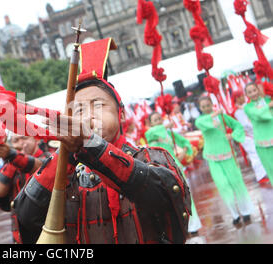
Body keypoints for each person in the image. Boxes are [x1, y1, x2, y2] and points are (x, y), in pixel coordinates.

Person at [12, 38, 191, 244]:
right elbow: (25, 216)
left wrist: (90, 144)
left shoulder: (152, 156)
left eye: (98, 106)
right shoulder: (65, 173)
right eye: (79, 110)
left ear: (121, 114)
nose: (88, 117)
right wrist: (67, 155)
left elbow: (165, 197)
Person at [196, 96, 253, 226]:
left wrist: (232, 135)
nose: (206, 108)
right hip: (212, 157)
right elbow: (202, 123)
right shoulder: (201, 120)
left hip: (227, 153)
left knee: (236, 182)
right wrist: (214, 115)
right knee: (223, 185)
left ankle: (245, 211)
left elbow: (237, 126)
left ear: (212, 104)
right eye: (203, 106)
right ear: (200, 108)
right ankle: (234, 214)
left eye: (207, 105)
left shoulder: (222, 116)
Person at [146, 111, 202, 236]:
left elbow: (185, 142)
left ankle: (193, 226)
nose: (159, 121)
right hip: (160, 169)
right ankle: (177, 229)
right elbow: (151, 132)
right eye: (155, 120)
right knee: (168, 200)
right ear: (150, 123)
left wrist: (185, 153)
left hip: (175, 167)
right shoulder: (151, 134)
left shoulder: (169, 133)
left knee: (185, 195)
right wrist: (166, 126)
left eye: (160, 118)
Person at [0, 134, 51, 243]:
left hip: (45, 230)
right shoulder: (11, 163)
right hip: (20, 236)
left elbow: (39, 166)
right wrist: (13, 159)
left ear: (36, 139)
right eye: (15, 140)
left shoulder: (48, 157)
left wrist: (13, 156)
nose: (19, 143)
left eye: (24, 138)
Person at [232, 90, 268, 183]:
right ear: (236, 99)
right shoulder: (237, 111)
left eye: (243, 95)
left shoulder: (245, 107)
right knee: (255, 156)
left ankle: (264, 173)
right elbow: (246, 124)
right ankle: (261, 177)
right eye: (240, 97)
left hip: (255, 134)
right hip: (247, 137)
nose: (243, 98)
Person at [243, 82, 273, 185]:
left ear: (258, 90)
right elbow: (258, 114)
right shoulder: (247, 108)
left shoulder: (268, 100)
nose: (253, 93)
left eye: (254, 90)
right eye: (249, 92)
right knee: (271, 169)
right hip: (262, 143)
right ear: (246, 95)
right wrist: (268, 106)